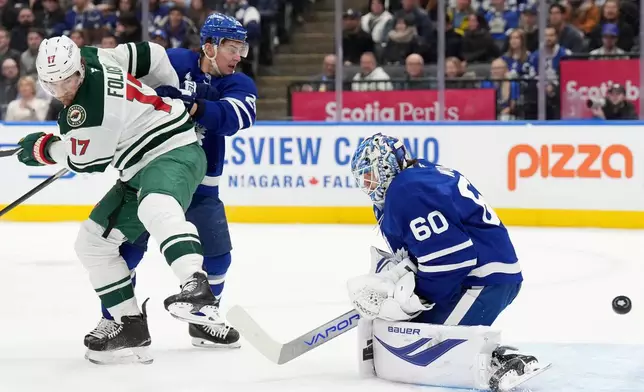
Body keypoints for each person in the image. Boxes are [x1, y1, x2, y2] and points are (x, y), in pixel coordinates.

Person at [16, 35, 220, 365]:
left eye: (67, 81)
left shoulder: (88, 112)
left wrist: (43, 149)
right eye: (52, 85)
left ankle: (197, 286)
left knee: (155, 204)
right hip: (137, 165)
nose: (62, 91)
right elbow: (151, 53)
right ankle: (130, 325)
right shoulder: (95, 55)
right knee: (91, 243)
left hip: (173, 149)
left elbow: (87, 164)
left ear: (79, 67)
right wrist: (164, 95)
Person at [85, 12, 257, 350]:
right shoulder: (173, 62)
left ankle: (205, 320)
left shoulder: (237, 83)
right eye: (233, 48)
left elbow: (238, 116)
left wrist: (194, 108)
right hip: (150, 172)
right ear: (210, 46)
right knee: (125, 251)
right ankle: (117, 318)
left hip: (201, 182)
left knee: (218, 257)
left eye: (242, 49)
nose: (239, 56)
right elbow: (116, 82)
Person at [346, 133, 548, 391]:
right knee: (404, 337)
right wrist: (396, 276)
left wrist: (415, 297)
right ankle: (484, 355)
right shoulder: (414, 178)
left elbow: (452, 258)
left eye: (370, 174)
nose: (367, 183)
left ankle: (497, 363)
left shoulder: (406, 189)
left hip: (483, 280)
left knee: (424, 352)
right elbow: (426, 250)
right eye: (362, 177)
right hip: (478, 275)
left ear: (387, 167)